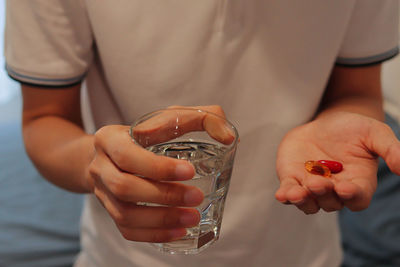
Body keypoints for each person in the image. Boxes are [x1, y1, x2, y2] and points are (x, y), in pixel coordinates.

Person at [4, 0, 400, 266]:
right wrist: (98, 163)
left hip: (305, 252)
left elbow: (356, 89)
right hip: (123, 256)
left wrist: (342, 120)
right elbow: (44, 121)